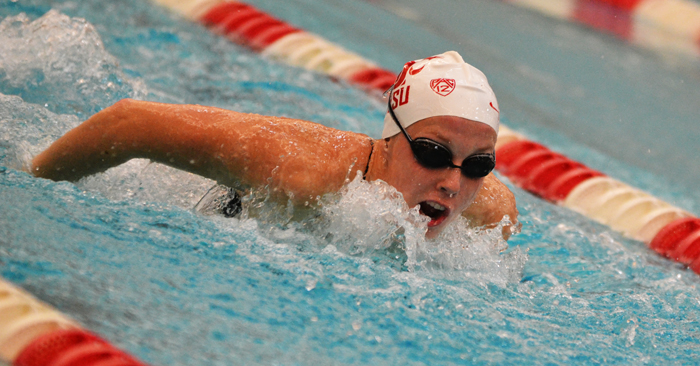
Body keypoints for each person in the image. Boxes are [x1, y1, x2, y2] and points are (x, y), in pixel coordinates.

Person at [31, 51, 517, 239]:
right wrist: (32, 186)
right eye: (432, 154)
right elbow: (128, 123)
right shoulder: (299, 171)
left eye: (478, 165)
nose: (454, 182)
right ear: (391, 139)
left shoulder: (493, 215)